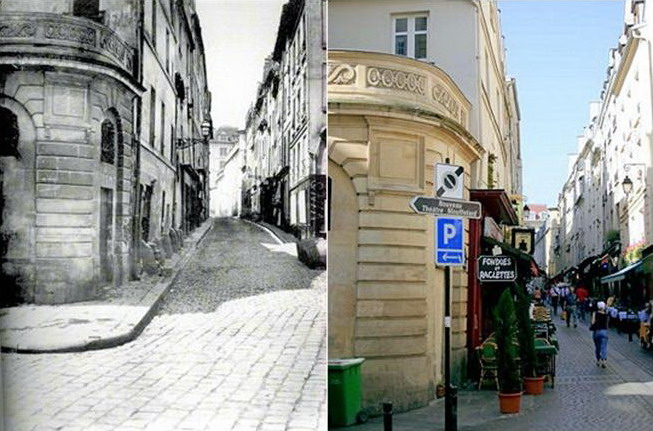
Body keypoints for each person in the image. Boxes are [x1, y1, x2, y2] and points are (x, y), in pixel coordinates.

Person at [591, 301, 610, 368]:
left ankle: (598, 360)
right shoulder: (606, 314)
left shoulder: (595, 313)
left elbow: (593, 322)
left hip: (597, 331)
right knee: (604, 347)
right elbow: (607, 325)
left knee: (597, 347)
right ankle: (604, 360)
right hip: (604, 332)